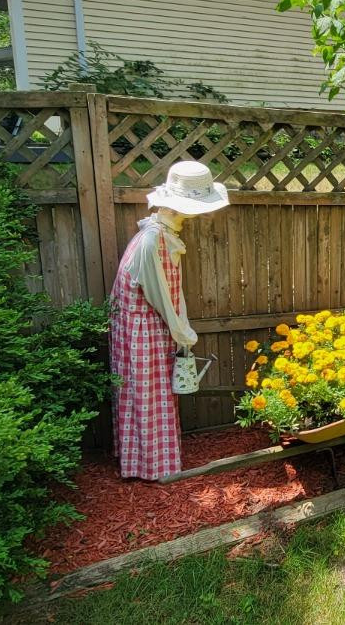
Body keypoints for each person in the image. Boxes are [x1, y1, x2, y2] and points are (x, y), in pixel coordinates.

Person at [109, 161, 229, 480]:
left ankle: (148, 462)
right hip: (141, 331)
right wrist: (184, 336)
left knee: (149, 395)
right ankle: (153, 468)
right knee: (149, 396)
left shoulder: (161, 234)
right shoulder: (154, 241)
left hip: (144, 327)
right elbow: (163, 298)